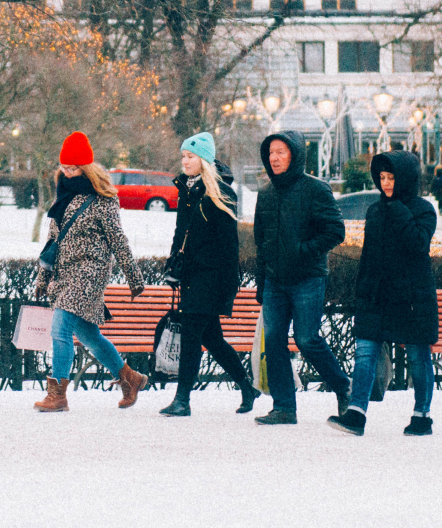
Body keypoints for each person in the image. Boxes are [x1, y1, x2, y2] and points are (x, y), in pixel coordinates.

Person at [32, 132, 146, 413]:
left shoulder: (103, 199)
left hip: (90, 273)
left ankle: (57, 394)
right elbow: (52, 242)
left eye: (74, 167)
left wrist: (134, 276)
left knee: (60, 329)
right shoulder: (62, 195)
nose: (68, 173)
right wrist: (42, 278)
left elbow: (118, 239)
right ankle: (129, 378)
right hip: (64, 274)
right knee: (88, 335)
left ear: (86, 166)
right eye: (64, 167)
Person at [329, 150, 438, 437]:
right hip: (376, 295)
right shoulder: (374, 210)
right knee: (365, 352)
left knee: (418, 355)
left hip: (412, 297)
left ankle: (422, 415)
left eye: (392, 177)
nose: (386, 183)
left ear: (406, 179)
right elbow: (369, 255)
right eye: (382, 177)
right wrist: (362, 289)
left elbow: (418, 243)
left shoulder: (424, 209)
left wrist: (398, 207)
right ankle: (356, 413)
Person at [252, 130, 352, 425]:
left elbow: (335, 231)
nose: (275, 158)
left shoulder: (315, 189)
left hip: (307, 277)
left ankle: (343, 386)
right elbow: (261, 242)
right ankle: (284, 407)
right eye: (271, 152)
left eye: (281, 152)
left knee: (307, 339)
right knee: (273, 340)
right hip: (274, 281)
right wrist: (262, 282)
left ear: (294, 155)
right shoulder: (266, 193)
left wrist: (302, 251)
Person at [159, 132, 259, 416]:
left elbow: (230, 243)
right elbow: (181, 231)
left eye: (190, 156)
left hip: (211, 276)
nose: (185, 161)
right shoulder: (187, 189)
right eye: (183, 156)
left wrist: (230, 284)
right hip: (191, 274)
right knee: (212, 338)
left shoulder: (221, 192)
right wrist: (172, 262)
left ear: (203, 159)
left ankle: (182, 400)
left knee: (192, 334)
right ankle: (246, 386)